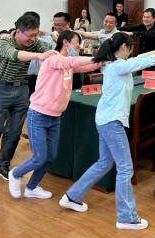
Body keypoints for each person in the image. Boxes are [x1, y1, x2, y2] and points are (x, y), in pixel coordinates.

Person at [59, 33, 155, 228]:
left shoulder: (115, 63)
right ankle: (126, 217)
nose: (132, 52)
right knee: (125, 167)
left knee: (104, 163)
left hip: (105, 120)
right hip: (111, 122)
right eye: (131, 48)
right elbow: (143, 61)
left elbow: (141, 57)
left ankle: (72, 196)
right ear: (124, 47)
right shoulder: (117, 66)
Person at [8, 30, 101, 201]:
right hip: (38, 115)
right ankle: (16, 174)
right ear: (66, 43)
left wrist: (102, 60)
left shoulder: (67, 64)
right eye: (76, 43)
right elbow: (72, 61)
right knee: (39, 158)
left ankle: (31, 187)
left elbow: (86, 66)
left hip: (54, 117)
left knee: (50, 157)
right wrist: (99, 57)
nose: (79, 47)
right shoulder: (52, 59)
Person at [0, 14, 59, 180]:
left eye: (35, 35)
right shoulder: (3, 42)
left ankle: (2, 165)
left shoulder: (34, 43)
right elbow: (15, 54)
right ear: (18, 32)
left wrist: (55, 55)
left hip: (21, 89)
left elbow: (46, 52)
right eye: (30, 35)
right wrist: (38, 56)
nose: (33, 39)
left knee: (14, 131)